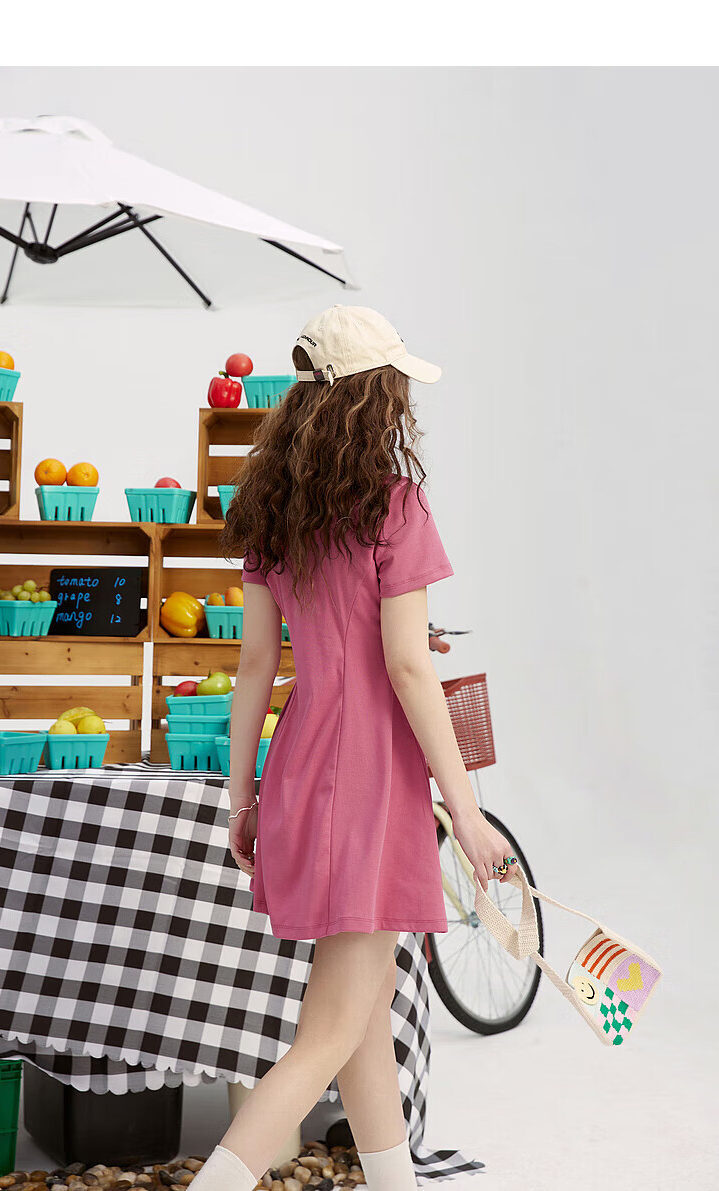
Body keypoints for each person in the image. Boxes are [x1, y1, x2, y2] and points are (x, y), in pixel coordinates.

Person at [198, 306, 517, 1191]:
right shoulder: (393, 503)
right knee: (329, 1033)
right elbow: (409, 668)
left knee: (365, 1019)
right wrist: (467, 812)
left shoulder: (271, 510)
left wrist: (243, 797)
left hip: (302, 769)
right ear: (377, 394)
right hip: (371, 785)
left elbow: (256, 665)